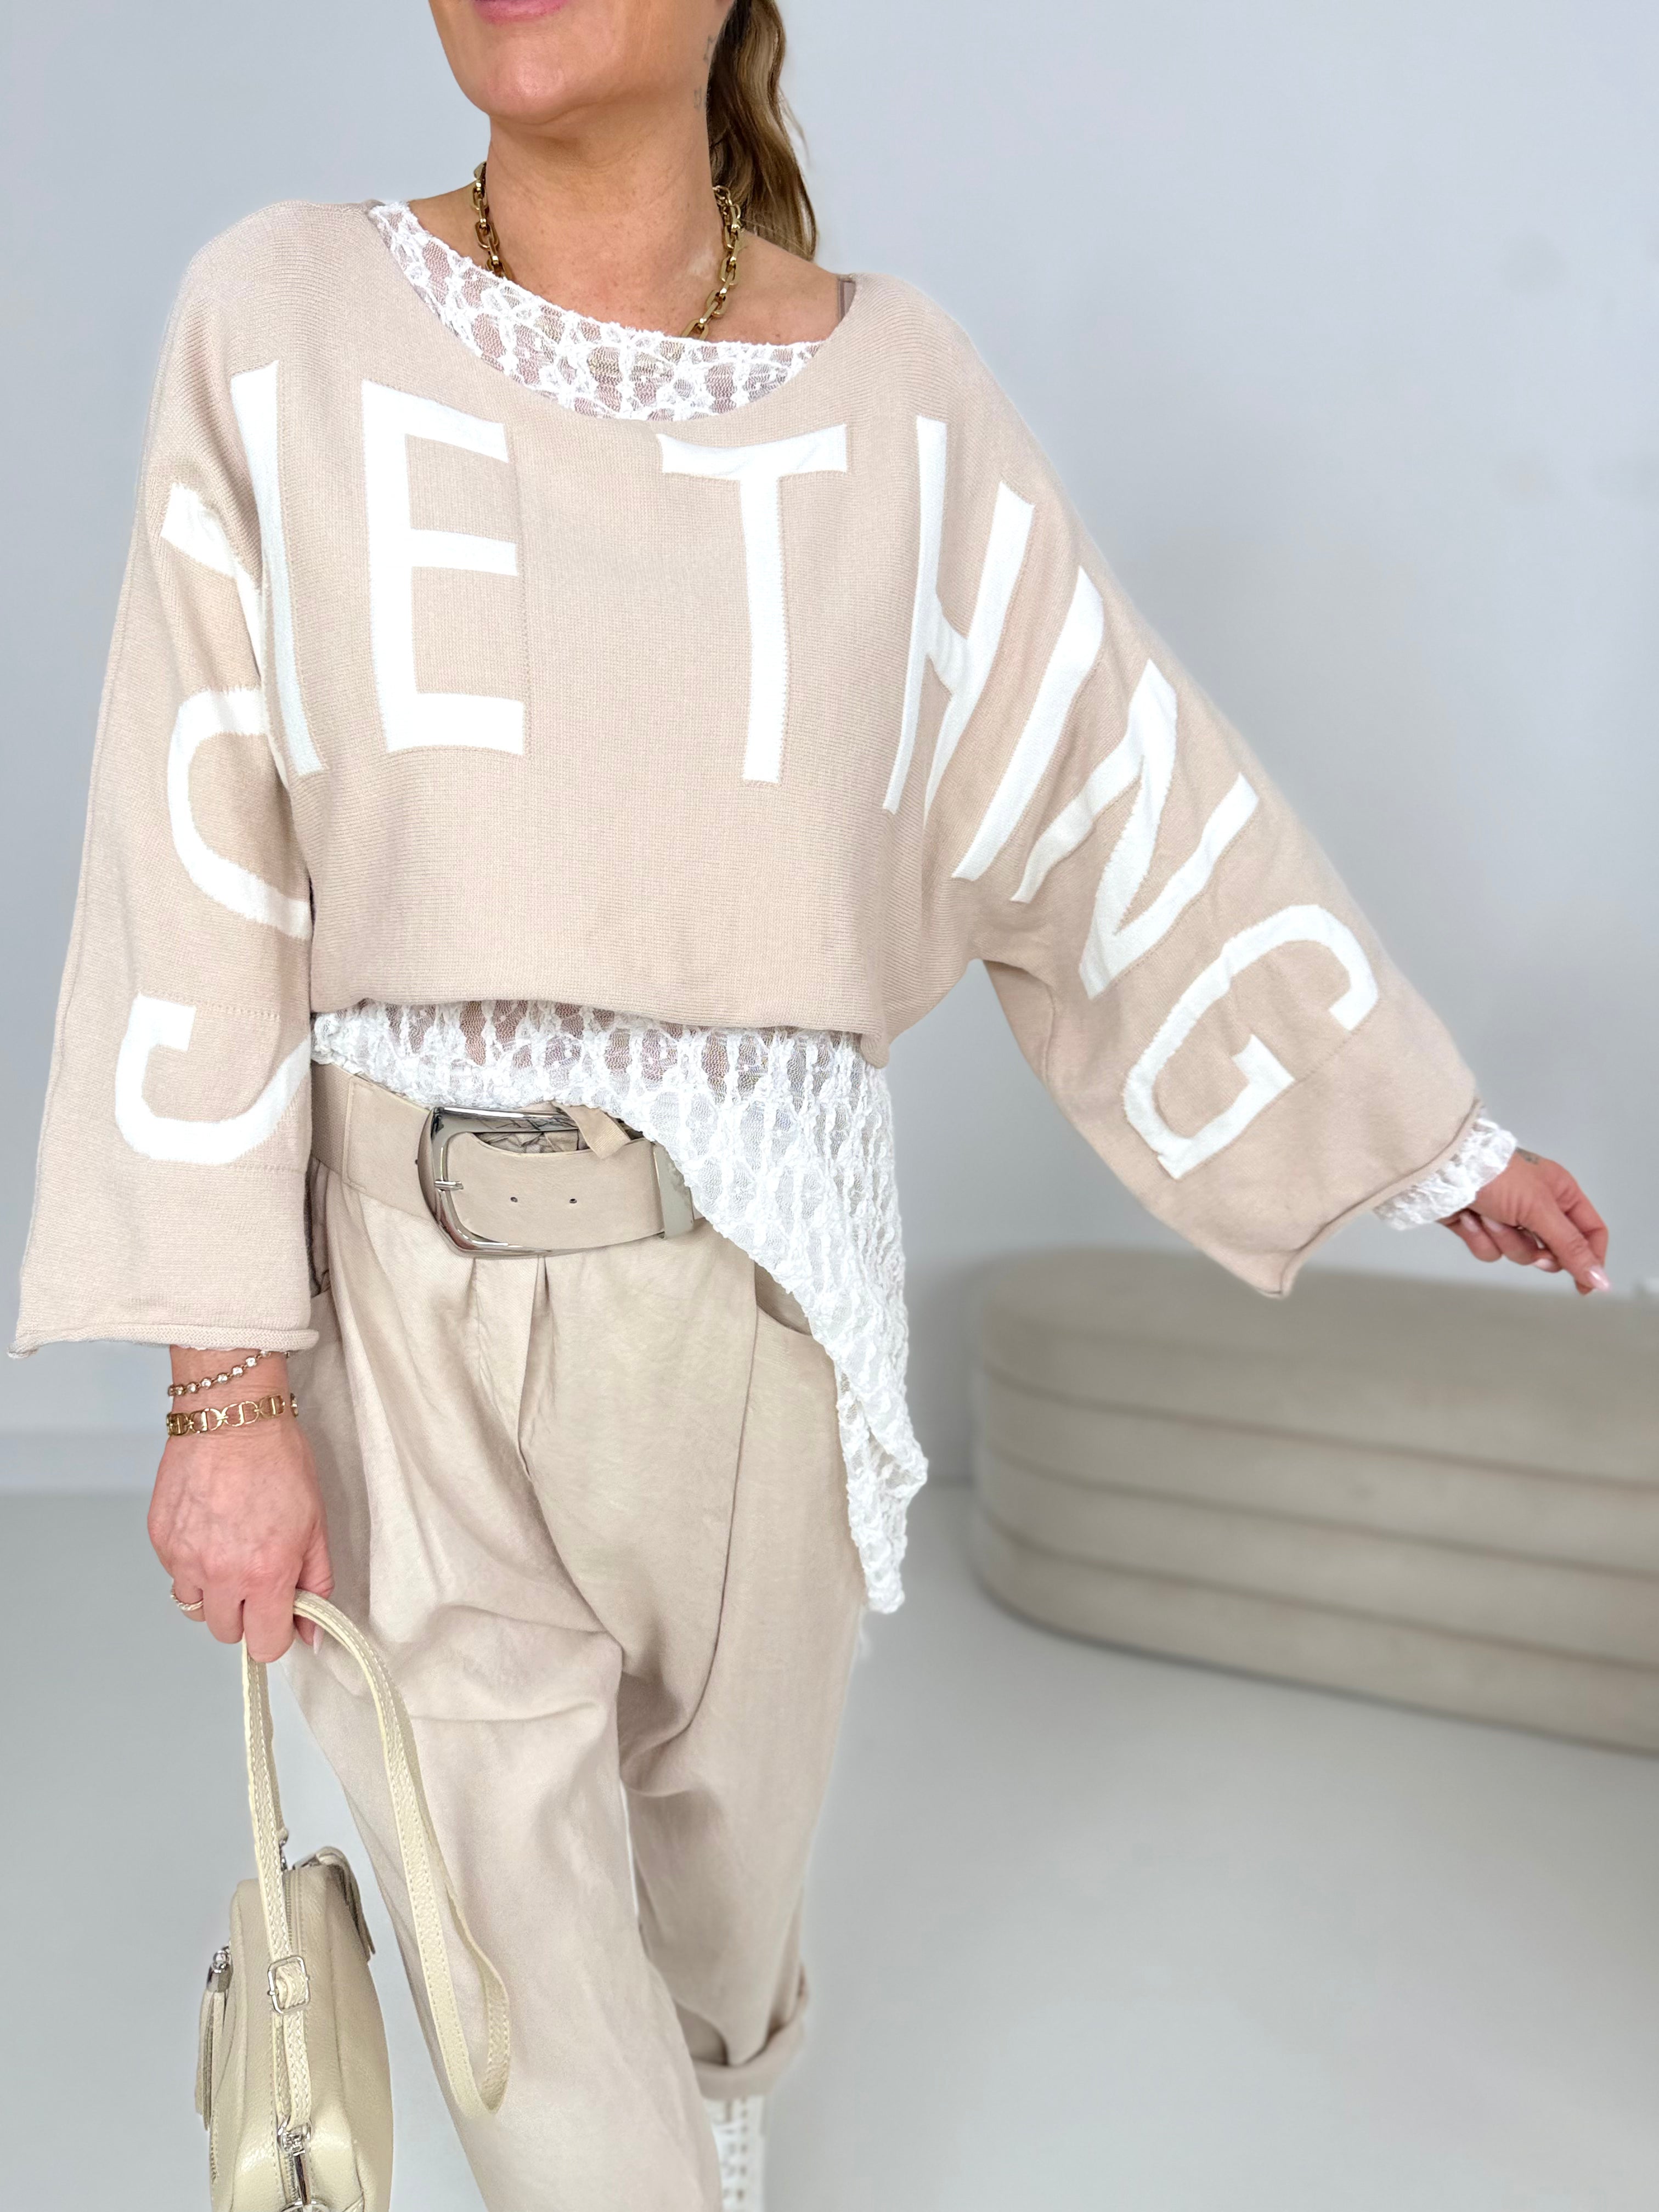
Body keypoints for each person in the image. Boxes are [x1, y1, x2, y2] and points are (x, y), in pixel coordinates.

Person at [10, 2, 1611, 2207]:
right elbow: (192, 858)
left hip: (765, 1313)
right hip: (398, 1313)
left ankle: (724, 2116)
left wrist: (1417, 1138)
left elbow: (1112, 792)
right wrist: (223, 1396)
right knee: (533, 2024)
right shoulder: (278, 321)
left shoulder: (898, 397)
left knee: (712, 1950)